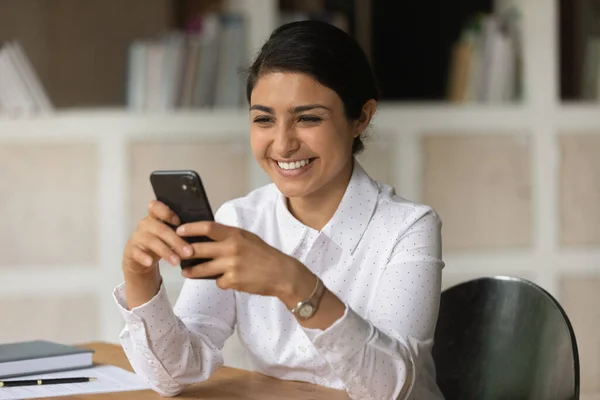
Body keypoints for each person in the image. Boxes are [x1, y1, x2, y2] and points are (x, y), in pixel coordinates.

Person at [114, 20, 445, 400]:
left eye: (308, 118)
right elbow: (173, 375)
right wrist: (140, 278)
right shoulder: (239, 220)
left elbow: (391, 388)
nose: (283, 144)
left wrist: (294, 283)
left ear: (361, 118)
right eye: (264, 119)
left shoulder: (408, 227)